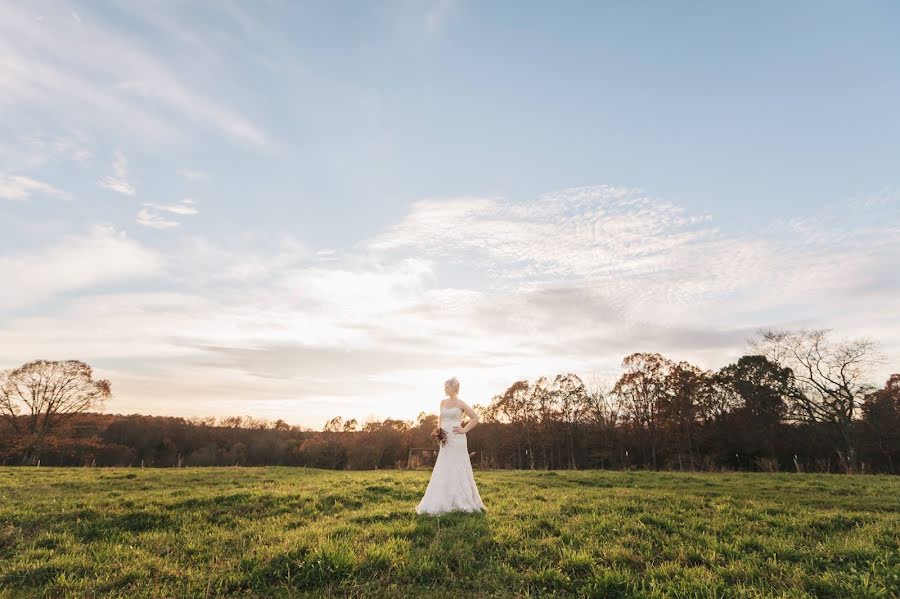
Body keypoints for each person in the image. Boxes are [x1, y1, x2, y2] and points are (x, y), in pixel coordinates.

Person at [415, 377, 486, 515]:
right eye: (444, 387)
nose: (445, 389)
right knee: (444, 466)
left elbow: (475, 418)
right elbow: (440, 420)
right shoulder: (442, 402)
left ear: (454, 388)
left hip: (458, 439)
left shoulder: (461, 403)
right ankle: (441, 498)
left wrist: (464, 429)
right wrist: (439, 432)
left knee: (458, 466)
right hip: (445, 439)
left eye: (447, 387)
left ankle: (462, 499)